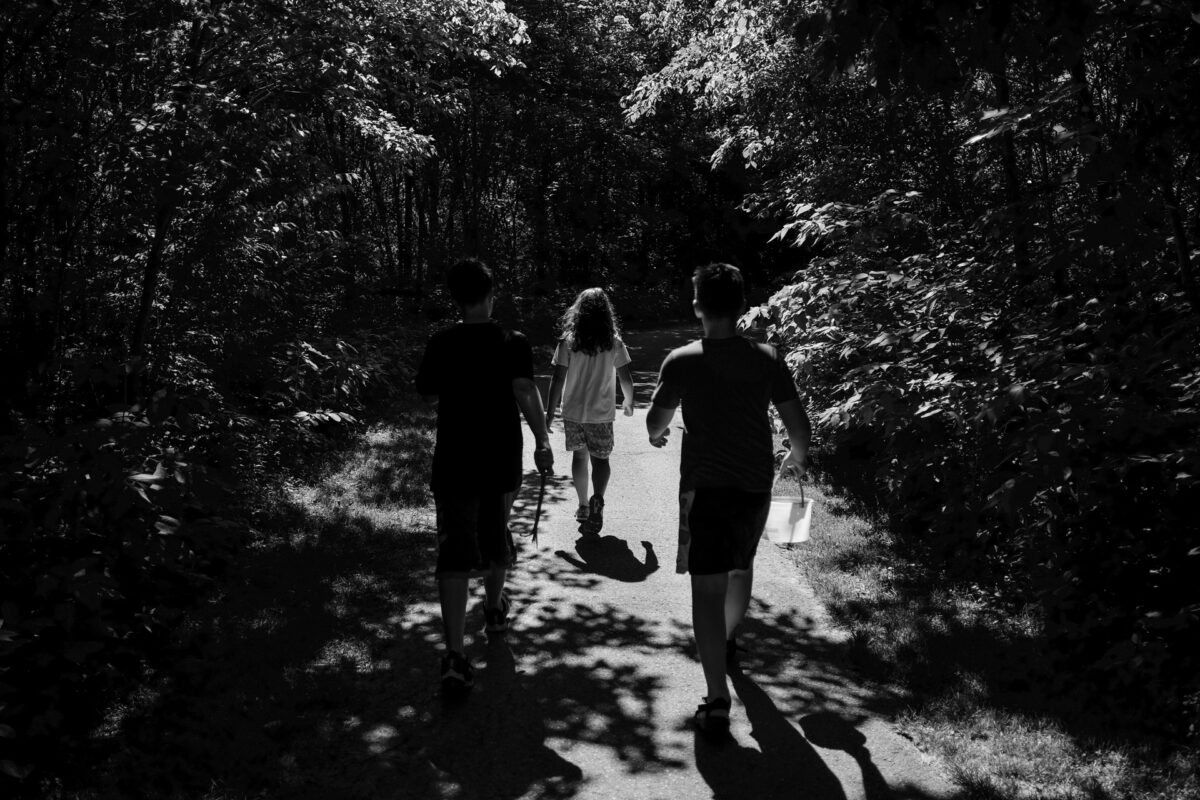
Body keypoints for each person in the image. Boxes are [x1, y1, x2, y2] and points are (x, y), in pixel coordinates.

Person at [646, 263, 811, 736]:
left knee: (706, 588)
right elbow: (799, 429)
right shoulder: (767, 357)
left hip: (705, 487)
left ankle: (717, 697)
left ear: (697, 305)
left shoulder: (682, 360)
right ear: (741, 307)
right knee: (741, 566)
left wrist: (659, 436)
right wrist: (798, 460)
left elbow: (655, 424)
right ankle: (730, 638)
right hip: (756, 486)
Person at [415, 258, 554, 693]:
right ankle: (494, 609)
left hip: (454, 460)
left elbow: (424, 395)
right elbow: (524, 390)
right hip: (499, 458)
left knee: (454, 553)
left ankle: (455, 656)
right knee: (497, 534)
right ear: (492, 295)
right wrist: (543, 441)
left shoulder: (441, 342)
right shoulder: (512, 341)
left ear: (456, 299)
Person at [545, 288, 635, 534]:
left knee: (580, 458)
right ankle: (598, 500)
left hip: (573, 413)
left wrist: (550, 411)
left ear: (579, 312)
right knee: (601, 459)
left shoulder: (568, 342)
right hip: (601, 414)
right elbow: (626, 377)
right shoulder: (613, 343)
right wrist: (629, 401)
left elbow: (557, 378)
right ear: (606, 314)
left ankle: (583, 505)